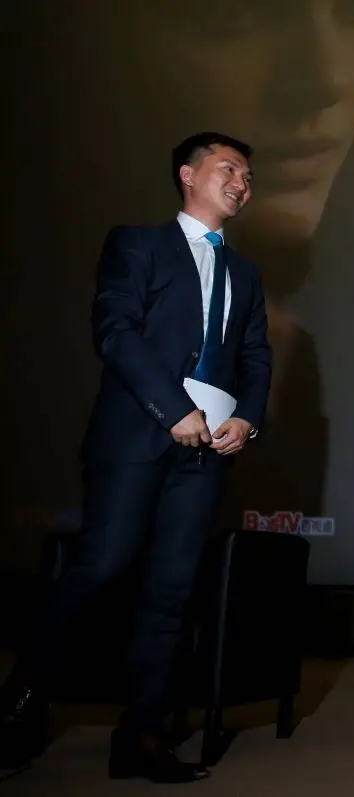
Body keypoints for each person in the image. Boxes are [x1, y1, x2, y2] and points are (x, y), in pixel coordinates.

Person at [0, 132, 272, 783]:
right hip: (137, 437)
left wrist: (247, 419)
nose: (242, 181)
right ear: (187, 174)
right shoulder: (137, 243)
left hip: (208, 452)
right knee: (101, 566)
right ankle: (17, 706)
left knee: (172, 591)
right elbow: (115, 330)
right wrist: (171, 408)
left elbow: (257, 357)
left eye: (248, 175)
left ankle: (142, 735)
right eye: (228, 168)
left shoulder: (245, 273)